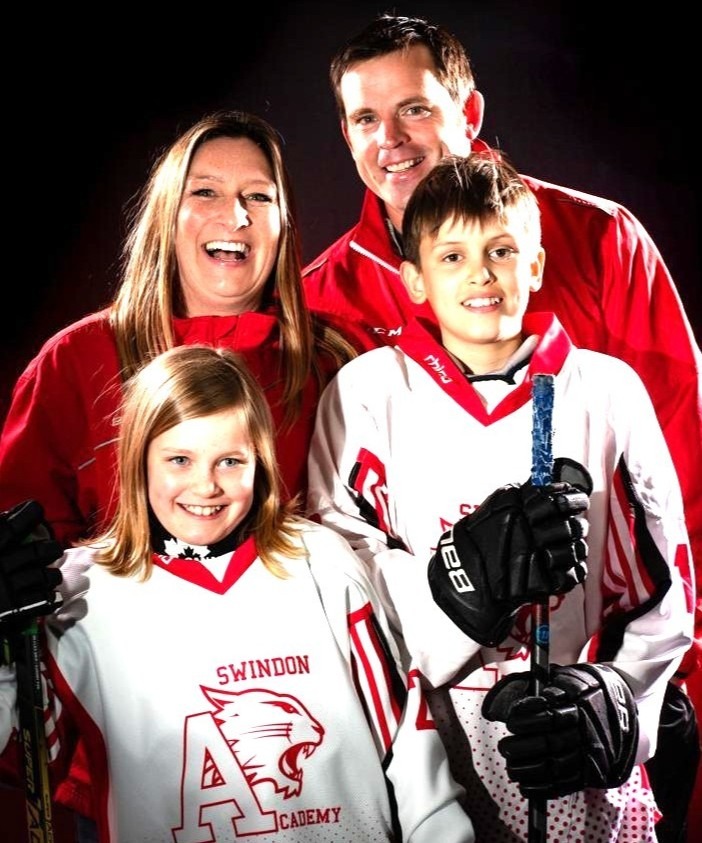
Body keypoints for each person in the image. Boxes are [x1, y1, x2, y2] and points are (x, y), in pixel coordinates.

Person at [301, 15, 702, 841]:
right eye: (367, 118)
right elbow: (327, 554)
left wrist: (638, 695)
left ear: (469, 111)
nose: (391, 140)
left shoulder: (600, 239)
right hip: (424, 734)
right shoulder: (319, 304)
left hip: (592, 710)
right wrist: (452, 590)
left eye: (416, 109)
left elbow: (683, 496)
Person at [0, 109, 354, 841]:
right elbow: (23, 551)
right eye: (207, 192)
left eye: (258, 196)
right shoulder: (75, 362)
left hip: (306, 743)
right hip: (142, 745)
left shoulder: (332, 365)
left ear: (284, 222)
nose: (235, 215)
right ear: (168, 212)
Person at [0, 344, 476, 842]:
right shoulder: (83, 594)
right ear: (138, 459)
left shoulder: (321, 561)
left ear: (260, 460)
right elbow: (25, 756)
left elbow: (406, 743)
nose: (206, 486)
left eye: (229, 461)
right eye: (179, 460)